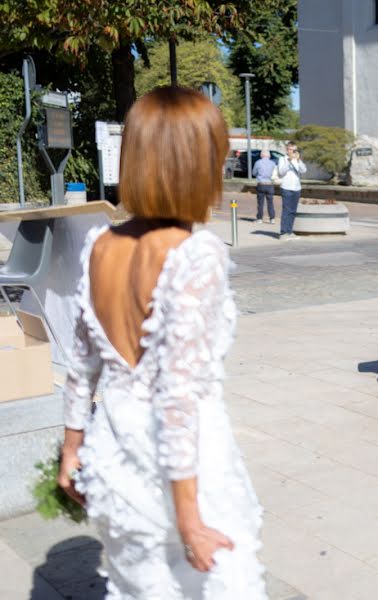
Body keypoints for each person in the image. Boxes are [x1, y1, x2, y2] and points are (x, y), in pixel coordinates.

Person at [57, 87, 267, 599]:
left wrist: (71, 451)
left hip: (114, 460)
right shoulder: (197, 253)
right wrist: (190, 520)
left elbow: (80, 364)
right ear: (198, 162)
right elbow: (175, 396)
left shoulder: (98, 245)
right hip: (187, 471)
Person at [276, 141, 307, 240]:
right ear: (287, 149)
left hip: (296, 187)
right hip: (286, 187)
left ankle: (289, 231)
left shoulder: (297, 159)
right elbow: (281, 172)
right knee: (286, 210)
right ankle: (283, 232)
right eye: (291, 149)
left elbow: (303, 170)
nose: (293, 151)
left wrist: (298, 160)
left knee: (293, 211)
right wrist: (289, 161)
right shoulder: (282, 159)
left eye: (294, 150)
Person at [252, 150, 277, 224]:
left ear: (261, 155)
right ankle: (272, 219)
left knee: (260, 203)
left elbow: (254, 173)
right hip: (270, 184)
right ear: (269, 156)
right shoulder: (273, 163)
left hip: (261, 184)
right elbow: (274, 174)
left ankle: (259, 219)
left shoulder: (258, 162)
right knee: (270, 202)